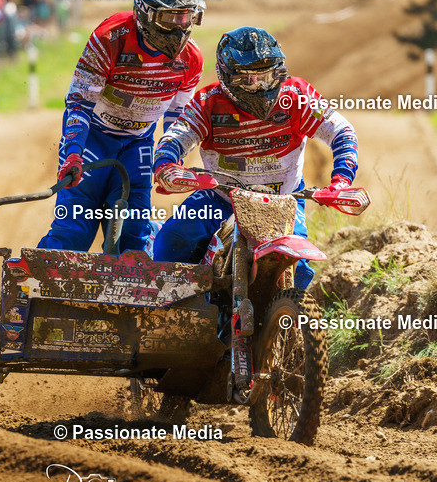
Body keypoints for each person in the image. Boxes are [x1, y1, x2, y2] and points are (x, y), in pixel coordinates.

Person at [150, 27, 359, 291]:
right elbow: (174, 138)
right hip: (220, 197)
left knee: (302, 271)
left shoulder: (297, 97)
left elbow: (342, 131)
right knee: (173, 241)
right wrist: (167, 166)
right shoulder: (208, 102)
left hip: (284, 201)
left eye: (268, 76)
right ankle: (166, 312)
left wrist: (341, 181)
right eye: (249, 80)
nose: (260, 86)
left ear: (280, 71)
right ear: (227, 77)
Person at [38, 0, 206, 252]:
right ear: (144, 12)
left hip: (138, 144)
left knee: (134, 239)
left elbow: (177, 118)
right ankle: (30, 290)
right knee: (73, 234)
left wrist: (169, 161)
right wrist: (74, 152)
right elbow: (79, 101)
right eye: (170, 17)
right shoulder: (109, 38)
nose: (179, 27)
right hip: (93, 138)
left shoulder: (191, 59)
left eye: (186, 16)